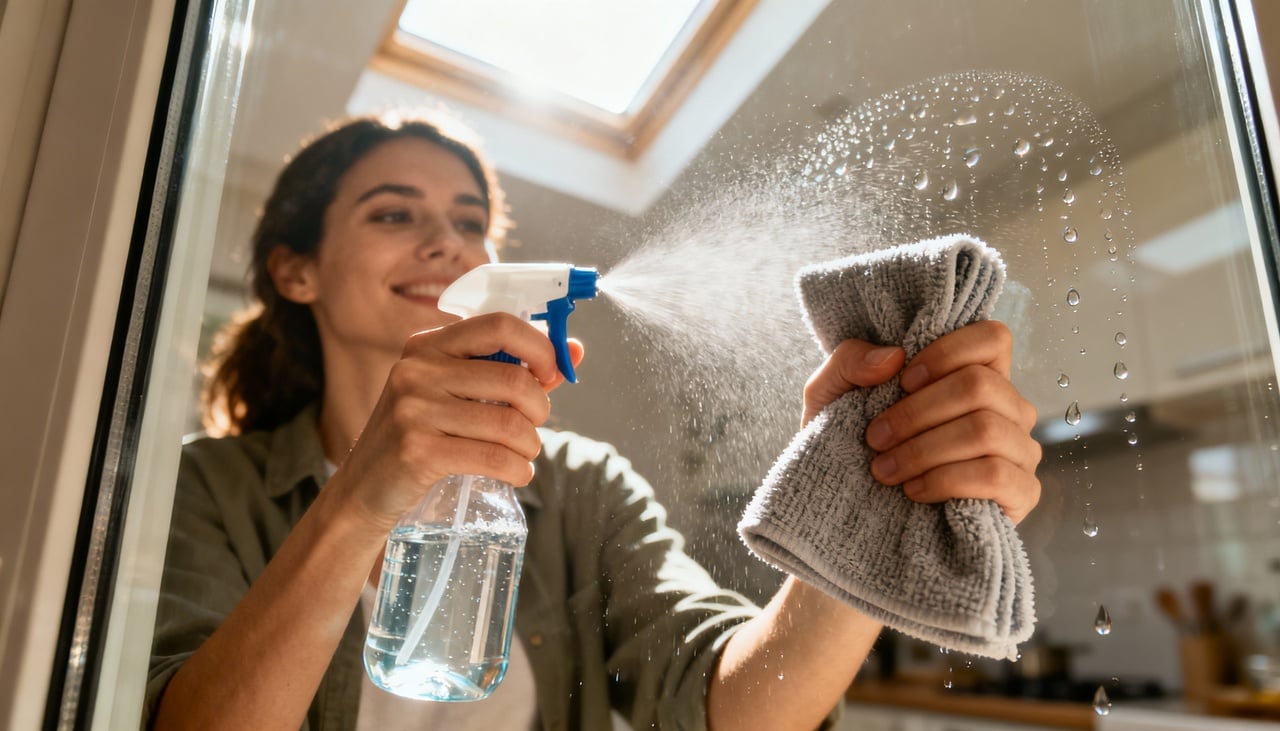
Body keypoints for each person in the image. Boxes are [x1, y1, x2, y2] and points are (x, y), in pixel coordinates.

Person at [145, 110, 1042, 731]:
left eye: (469, 221)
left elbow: (724, 706)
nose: (447, 244)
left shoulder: (579, 485)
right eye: (393, 213)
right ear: (295, 272)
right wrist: (359, 504)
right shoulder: (205, 486)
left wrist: (867, 482)